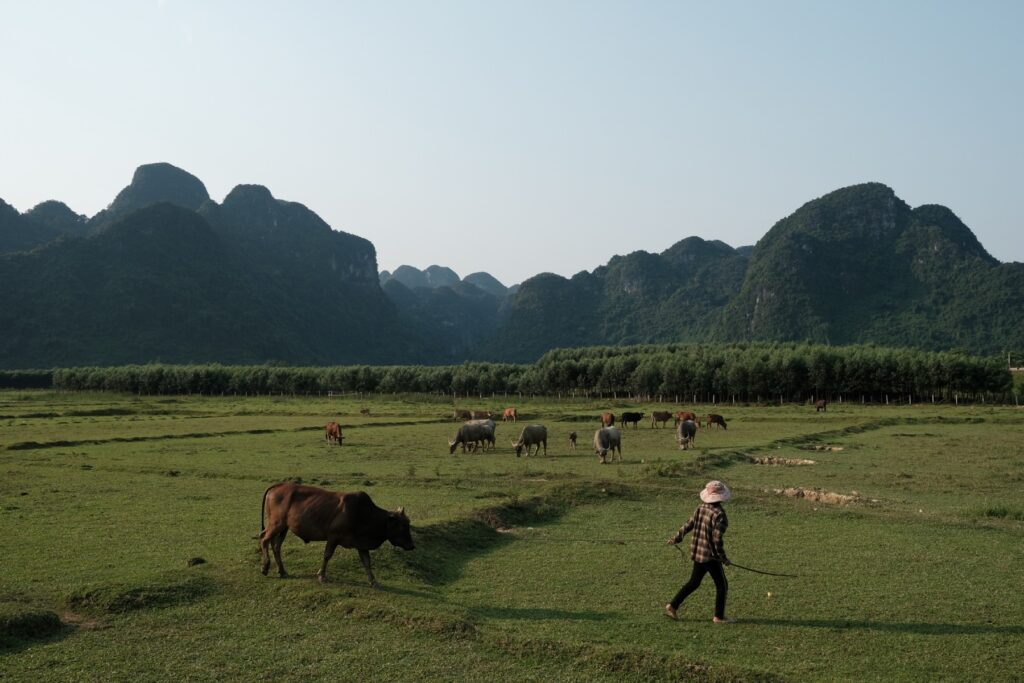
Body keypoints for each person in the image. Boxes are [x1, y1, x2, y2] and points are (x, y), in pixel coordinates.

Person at [664, 480, 733, 623]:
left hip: (697, 553)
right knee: (722, 585)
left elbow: (688, 525)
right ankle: (718, 616)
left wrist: (676, 538)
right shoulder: (720, 515)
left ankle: (672, 605)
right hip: (710, 557)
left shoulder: (701, 508)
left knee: (694, 582)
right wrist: (723, 558)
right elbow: (717, 540)